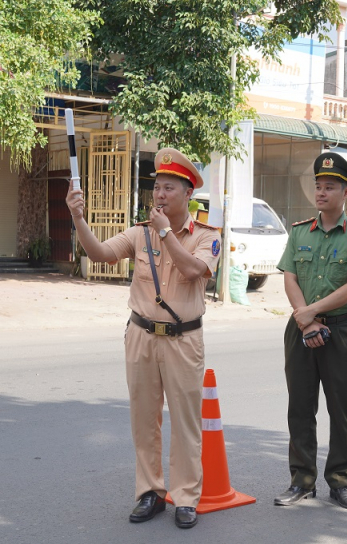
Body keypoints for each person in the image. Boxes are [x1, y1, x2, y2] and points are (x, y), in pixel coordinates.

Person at [65, 148, 221, 529]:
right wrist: (78, 217)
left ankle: (185, 497)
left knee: (185, 422)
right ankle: (150, 492)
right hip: (141, 335)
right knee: (143, 420)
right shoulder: (139, 232)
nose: (160, 195)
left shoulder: (206, 236)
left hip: (184, 340)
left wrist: (166, 234)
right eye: (157, 188)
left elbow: (192, 270)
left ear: (188, 194)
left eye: (169, 188)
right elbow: (101, 254)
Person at [274, 152, 347, 510]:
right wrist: (304, 320)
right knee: (300, 408)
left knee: (341, 410)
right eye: (318, 186)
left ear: (345, 193)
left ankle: (340, 482)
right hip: (300, 330)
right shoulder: (300, 231)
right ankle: (301, 480)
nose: (321, 192)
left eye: (329, 186)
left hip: (342, 331)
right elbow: (289, 277)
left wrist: (312, 312)